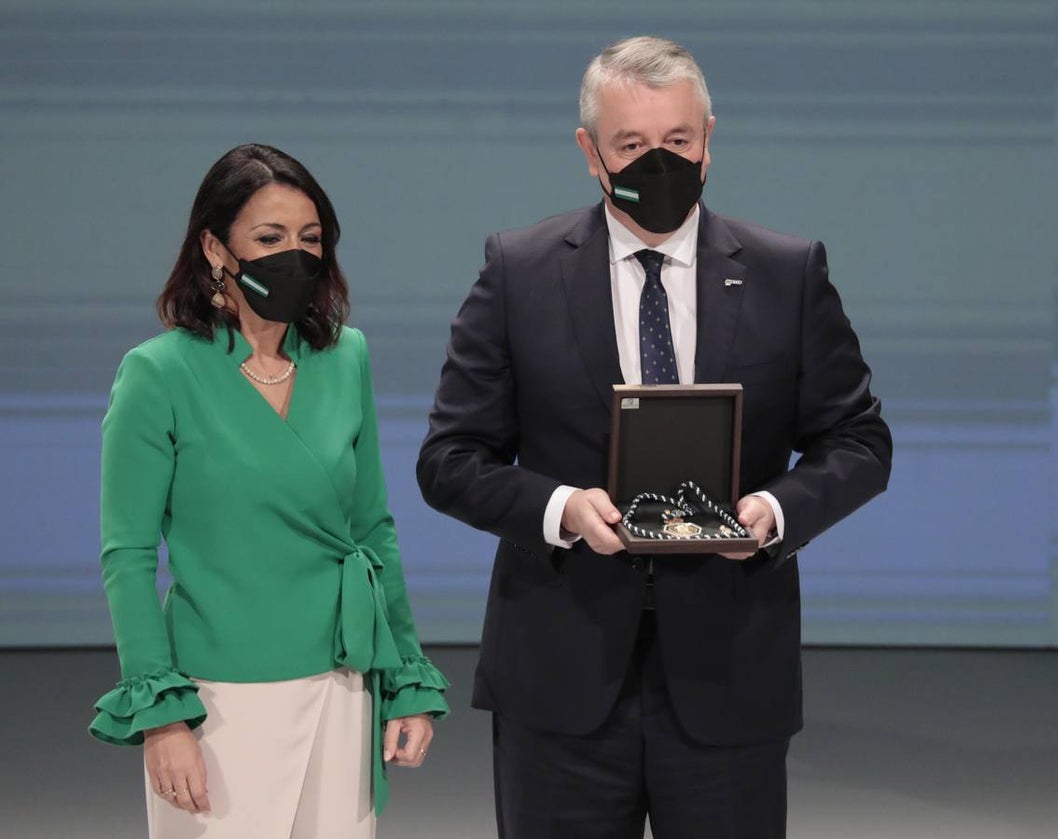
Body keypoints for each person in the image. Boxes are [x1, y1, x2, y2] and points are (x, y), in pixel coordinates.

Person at [417, 36, 892, 839]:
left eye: (675, 141)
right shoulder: (518, 271)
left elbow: (859, 439)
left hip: (729, 675)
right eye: (631, 145)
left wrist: (774, 513)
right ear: (589, 152)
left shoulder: (788, 271)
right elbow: (449, 459)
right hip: (560, 682)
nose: (657, 162)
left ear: (709, 137)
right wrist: (562, 506)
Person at [89, 143, 448, 839]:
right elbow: (127, 556)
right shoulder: (157, 374)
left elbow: (373, 529)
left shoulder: (347, 357)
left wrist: (406, 678)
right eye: (270, 237)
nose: (296, 255)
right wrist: (163, 716)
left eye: (310, 239)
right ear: (214, 247)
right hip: (218, 699)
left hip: (343, 688)